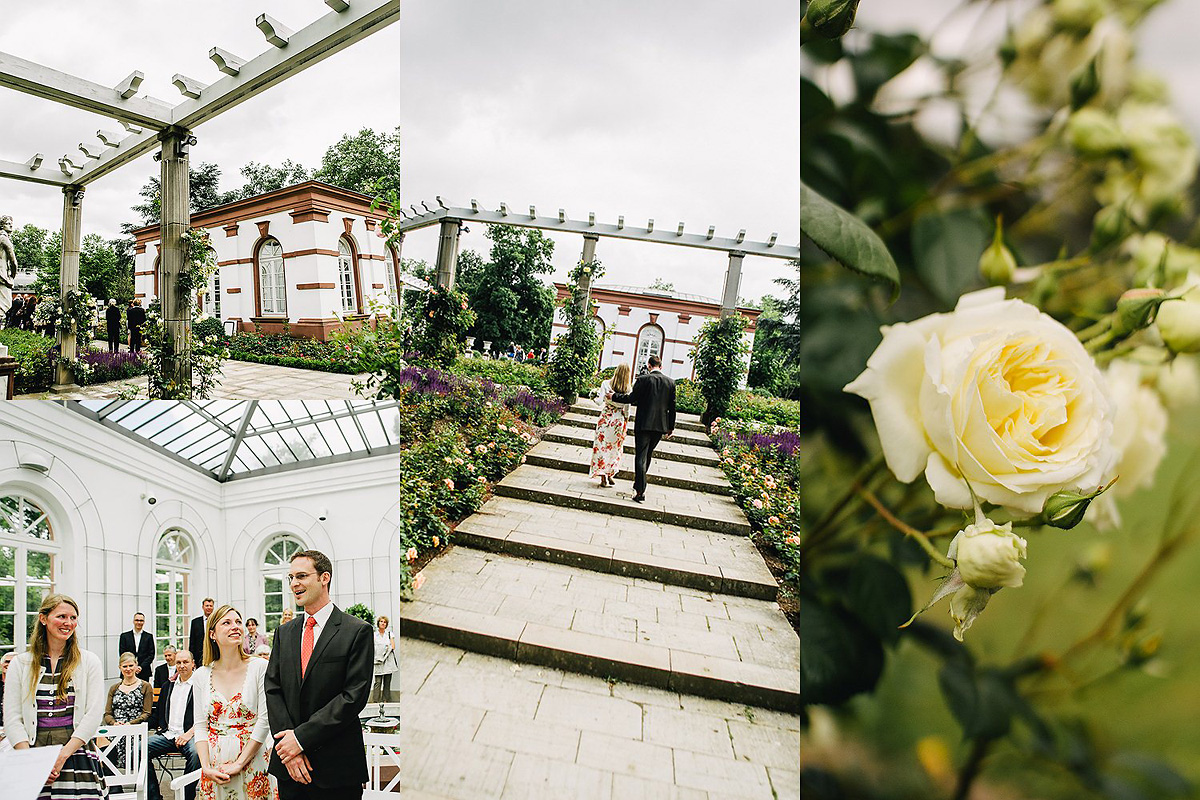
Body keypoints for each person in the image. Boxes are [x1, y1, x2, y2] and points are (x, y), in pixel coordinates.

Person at [265, 549, 373, 799]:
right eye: (290, 578)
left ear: (324, 578)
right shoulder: (284, 633)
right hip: (289, 768)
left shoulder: (357, 631)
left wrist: (300, 739)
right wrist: (288, 749)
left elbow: (353, 697)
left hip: (336, 769)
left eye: (301, 576)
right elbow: (273, 688)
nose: (294, 584)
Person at [2, 593, 108, 799]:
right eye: (61, 616)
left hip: (76, 754)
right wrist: (31, 761)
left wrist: (61, 757)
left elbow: (93, 714)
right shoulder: (20, 664)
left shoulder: (89, 661)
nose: (68, 623)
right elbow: (13, 718)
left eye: (73, 618)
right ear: (43, 619)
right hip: (32, 754)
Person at [192, 605, 274, 800]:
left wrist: (239, 764)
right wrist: (205, 767)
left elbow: (264, 721)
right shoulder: (201, 675)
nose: (235, 626)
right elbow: (201, 726)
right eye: (227, 623)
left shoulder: (259, 667)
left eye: (238, 622)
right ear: (212, 634)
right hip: (215, 765)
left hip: (253, 761)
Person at [611, 354, 677, 503]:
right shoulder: (671, 383)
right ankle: (638, 484)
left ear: (648, 365)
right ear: (661, 367)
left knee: (640, 456)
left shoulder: (643, 380)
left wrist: (614, 396)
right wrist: (670, 427)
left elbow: (631, 398)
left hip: (643, 424)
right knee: (648, 455)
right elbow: (672, 408)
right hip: (660, 426)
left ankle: (640, 491)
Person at [147, 649, 200, 800]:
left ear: (193, 664)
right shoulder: (167, 686)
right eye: (179, 662)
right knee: (139, 749)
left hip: (190, 735)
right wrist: (135, 724)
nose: (182, 666)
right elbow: (157, 716)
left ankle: (185, 796)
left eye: (185, 662)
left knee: (197, 754)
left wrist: (189, 734)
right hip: (168, 735)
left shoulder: (199, 686)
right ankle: (154, 797)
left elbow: (206, 716)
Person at [102, 652, 153, 769]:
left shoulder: (145, 686)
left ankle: (140, 778)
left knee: (135, 745)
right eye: (125, 666)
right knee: (103, 745)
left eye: (131, 665)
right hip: (116, 728)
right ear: (120, 667)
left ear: (136, 666)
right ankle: (114, 782)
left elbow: (147, 713)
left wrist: (130, 724)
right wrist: (114, 723)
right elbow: (108, 713)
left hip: (135, 728)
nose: (128, 669)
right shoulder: (114, 688)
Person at [590, 363, 633, 488]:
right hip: (618, 420)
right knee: (615, 448)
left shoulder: (605, 384)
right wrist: (627, 420)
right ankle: (610, 474)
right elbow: (627, 409)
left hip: (605, 417)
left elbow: (599, 402)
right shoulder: (628, 389)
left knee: (602, 446)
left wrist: (593, 395)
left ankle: (603, 477)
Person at [118, 612, 155, 682]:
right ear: (133, 621)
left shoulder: (149, 636)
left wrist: (140, 667)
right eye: (137, 620)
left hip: (144, 671)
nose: (139, 622)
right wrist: (132, 667)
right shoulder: (124, 636)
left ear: (144, 622)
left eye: (141, 620)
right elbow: (122, 654)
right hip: (127, 671)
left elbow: (151, 655)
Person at [370, 616, 398, 703]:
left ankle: (386, 700)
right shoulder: (374, 635)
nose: (383, 623)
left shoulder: (389, 634)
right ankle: (376, 701)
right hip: (377, 661)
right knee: (377, 682)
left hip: (388, 661)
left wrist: (384, 650)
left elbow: (393, 646)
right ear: (378, 623)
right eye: (381, 621)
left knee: (387, 681)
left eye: (384, 622)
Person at [0, 215, 17, 322]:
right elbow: (13, 261)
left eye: (11, 223)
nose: (10, 225)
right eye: (7, 223)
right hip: (3, 275)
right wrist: (12, 276)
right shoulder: (4, 239)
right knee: (5, 303)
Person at [190, 598, 215, 667]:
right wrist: (192, 659)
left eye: (211, 606)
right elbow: (192, 641)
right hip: (199, 656)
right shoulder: (195, 622)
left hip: (214, 654)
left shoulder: (217, 621)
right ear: (203, 607)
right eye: (207, 606)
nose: (209, 607)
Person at [0, 651, 14, 739]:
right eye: (7, 661)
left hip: (13, 730)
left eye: (14, 662)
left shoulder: (25, 685)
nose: (9, 664)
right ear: (1, 665)